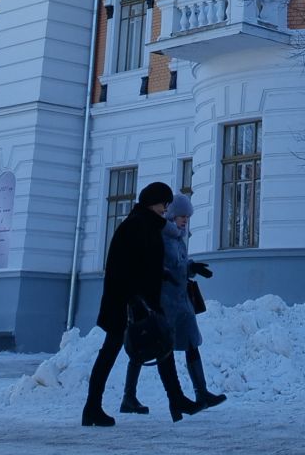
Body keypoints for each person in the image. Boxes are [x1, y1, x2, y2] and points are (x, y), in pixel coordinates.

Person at [84, 181, 203, 427]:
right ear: (152, 202)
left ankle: (176, 398)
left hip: (140, 301)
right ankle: (93, 407)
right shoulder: (136, 226)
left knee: (162, 345)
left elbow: (147, 264)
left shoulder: (147, 225)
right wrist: (135, 299)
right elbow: (125, 268)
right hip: (126, 303)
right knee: (111, 351)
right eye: (163, 203)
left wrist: (166, 275)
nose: (165, 208)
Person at [162, 193, 225, 408]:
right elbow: (161, 264)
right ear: (171, 215)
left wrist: (193, 267)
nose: (185, 219)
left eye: (187, 216)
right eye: (181, 215)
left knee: (191, 342)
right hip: (165, 302)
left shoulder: (179, 238)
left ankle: (202, 392)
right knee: (160, 348)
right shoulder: (162, 236)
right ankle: (129, 394)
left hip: (182, 299)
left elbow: (181, 264)